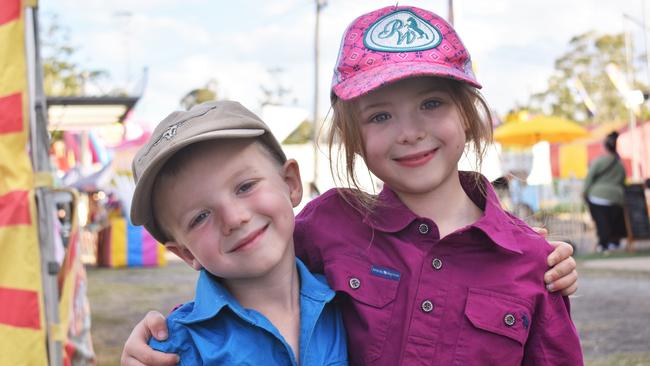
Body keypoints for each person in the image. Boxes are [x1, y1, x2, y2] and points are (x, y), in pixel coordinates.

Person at [121, 5, 581, 365]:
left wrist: (546, 257)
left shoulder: (533, 263)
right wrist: (168, 334)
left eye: (432, 102)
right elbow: (245, 269)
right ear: (353, 136)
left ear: (469, 112)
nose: (409, 131)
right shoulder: (329, 224)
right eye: (380, 115)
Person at [128, 100, 348, 365]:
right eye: (200, 217)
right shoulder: (174, 350)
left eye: (245, 187)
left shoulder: (355, 299)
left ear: (290, 183)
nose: (233, 218)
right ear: (186, 253)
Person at [583, 131, 627, 252]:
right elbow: (623, 180)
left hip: (597, 196)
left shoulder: (600, 161)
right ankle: (613, 243)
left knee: (601, 222)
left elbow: (589, 178)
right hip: (616, 197)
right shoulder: (620, 163)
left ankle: (603, 244)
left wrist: (584, 192)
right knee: (613, 222)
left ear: (605, 146)